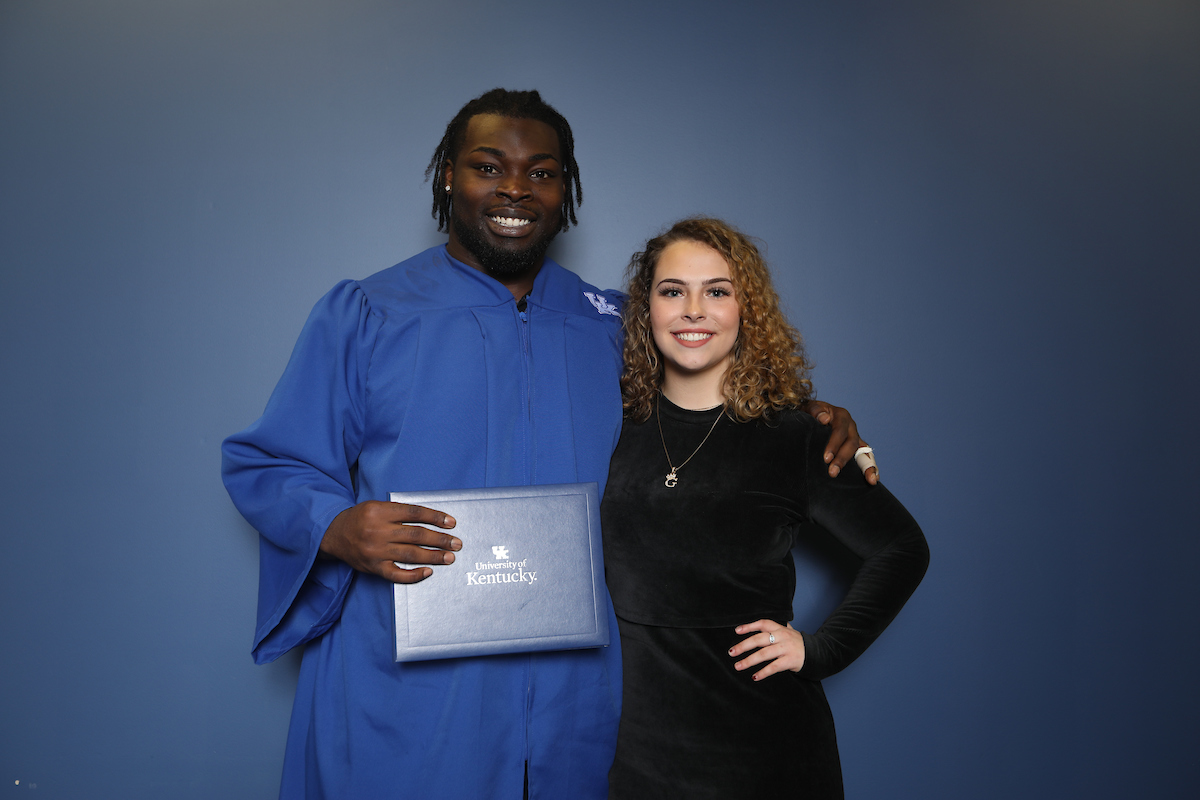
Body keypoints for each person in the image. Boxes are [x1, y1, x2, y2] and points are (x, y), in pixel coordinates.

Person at [222, 90, 868, 799]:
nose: (514, 190)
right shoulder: (371, 313)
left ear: (566, 191)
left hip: (576, 684)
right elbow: (271, 460)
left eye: (542, 173)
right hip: (409, 671)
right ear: (447, 177)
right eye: (488, 166)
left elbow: (707, 388)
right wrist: (337, 527)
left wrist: (800, 416)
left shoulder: (613, 325)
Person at [601, 217, 929, 799]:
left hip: (768, 752)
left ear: (746, 309)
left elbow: (901, 549)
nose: (693, 310)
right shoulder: (609, 425)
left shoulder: (797, 435)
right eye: (672, 290)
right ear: (646, 309)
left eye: (717, 291)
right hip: (641, 755)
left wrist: (819, 649)